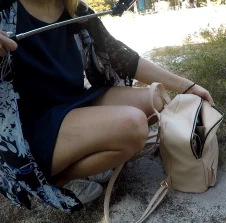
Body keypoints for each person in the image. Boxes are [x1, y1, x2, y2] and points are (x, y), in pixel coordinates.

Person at [0, 0, 213, 206]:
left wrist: (187, 86)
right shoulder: (5, 12)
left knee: (156, 100)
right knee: (134, 125)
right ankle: (57, 179)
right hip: (30, 126)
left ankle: (84, 153)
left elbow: (122, 57)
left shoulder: (75, 8)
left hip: (74, 101)